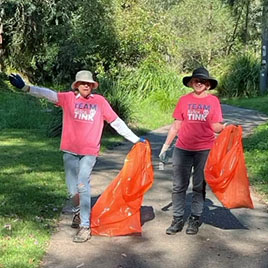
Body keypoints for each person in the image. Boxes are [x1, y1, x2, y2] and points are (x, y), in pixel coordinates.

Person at [9, 70, 145, 243]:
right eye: (82, 83)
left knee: (82, 184)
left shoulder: (100, 102)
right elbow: (48, 94)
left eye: (88, 83)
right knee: (73, 189)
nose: (86, 86)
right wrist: (26, 88)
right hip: (69, 150)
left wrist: (135, 138)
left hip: (89, 152)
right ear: (77, 85)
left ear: (92, 86)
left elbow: (116, 122)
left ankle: (85, 227)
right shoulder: (68, 99)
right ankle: (77, 213)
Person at [159, 67, 226, 235]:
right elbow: (176, 126)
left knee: (199, 185)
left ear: (208, 85)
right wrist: (165, 147)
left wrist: (226, 128)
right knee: (178, 186)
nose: (199, 83)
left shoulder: (213, 101)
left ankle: (194, 219)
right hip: (183, 149)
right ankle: (177, 219)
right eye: (196, 80)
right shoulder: (183, 100)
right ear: (191, 83)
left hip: (205, 150)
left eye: (203, 81)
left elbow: (216, 126)